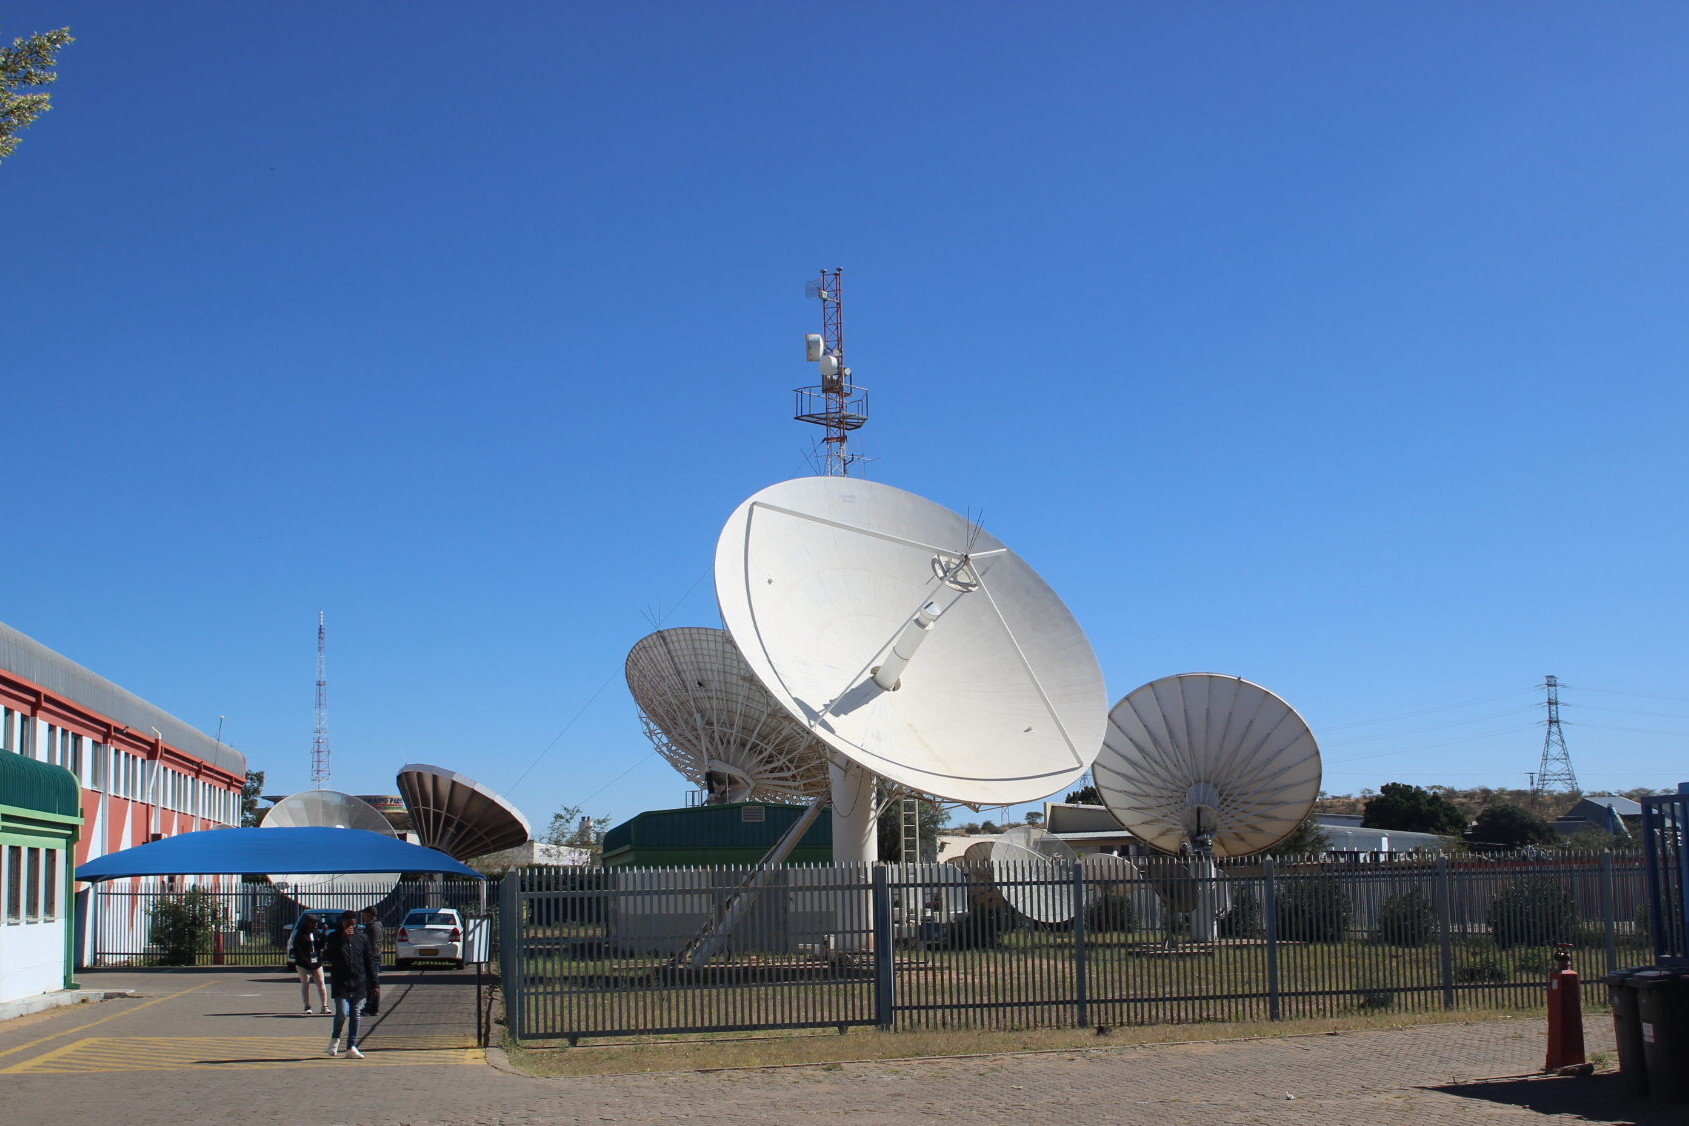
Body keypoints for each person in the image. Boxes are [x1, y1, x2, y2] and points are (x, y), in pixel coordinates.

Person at [322, 913, 379, 1058]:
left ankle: (351, 1046)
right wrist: (342, 938)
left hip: (358, 981)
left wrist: (374, 983)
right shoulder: (334, 937)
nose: (351, 926)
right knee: (342, 1011)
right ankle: (335, 1040)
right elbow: (328, 956)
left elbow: (368, 961)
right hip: (341, 981)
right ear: (342, 923)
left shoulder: (362, 938)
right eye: (348, 923)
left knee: (356, 1013)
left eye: (353, 923)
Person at [289, 914, 330, 1015]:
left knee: (321, 982)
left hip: (316, 962)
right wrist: (306, 962)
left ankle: (324, 1006)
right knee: (305, 983)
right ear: (307, 923)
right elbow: (298, 951)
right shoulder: (300, 935)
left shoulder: (315, 933)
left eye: (316, 923)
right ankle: (307, 1006)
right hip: (303, 963)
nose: (315, 925)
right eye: (313, 923)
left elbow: (320, 945)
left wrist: (324, 933)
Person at [359, 906, 384, 1014]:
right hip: (371, 956)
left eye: (365, 914)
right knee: (369, 983)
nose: (363, 916)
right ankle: (369, 1004)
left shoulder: (374, 927)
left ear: (370, 914)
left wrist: (367, 954)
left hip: (372, 957)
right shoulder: (371, 926)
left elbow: (373, 944)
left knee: (372, 983)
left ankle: (372, 1006)